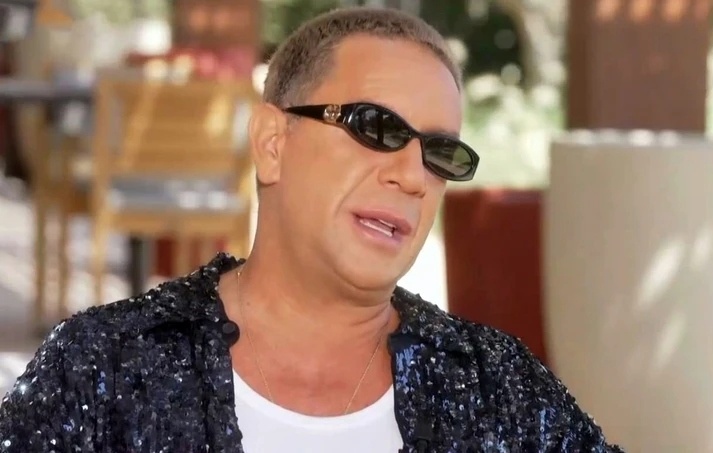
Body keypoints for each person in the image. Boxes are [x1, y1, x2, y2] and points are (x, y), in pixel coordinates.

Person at [0, 6, 623, 453]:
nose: (413, 176)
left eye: (440, 154)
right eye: (376, 128)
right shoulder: (106, 369)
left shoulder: (495, 389)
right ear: (273, 143)